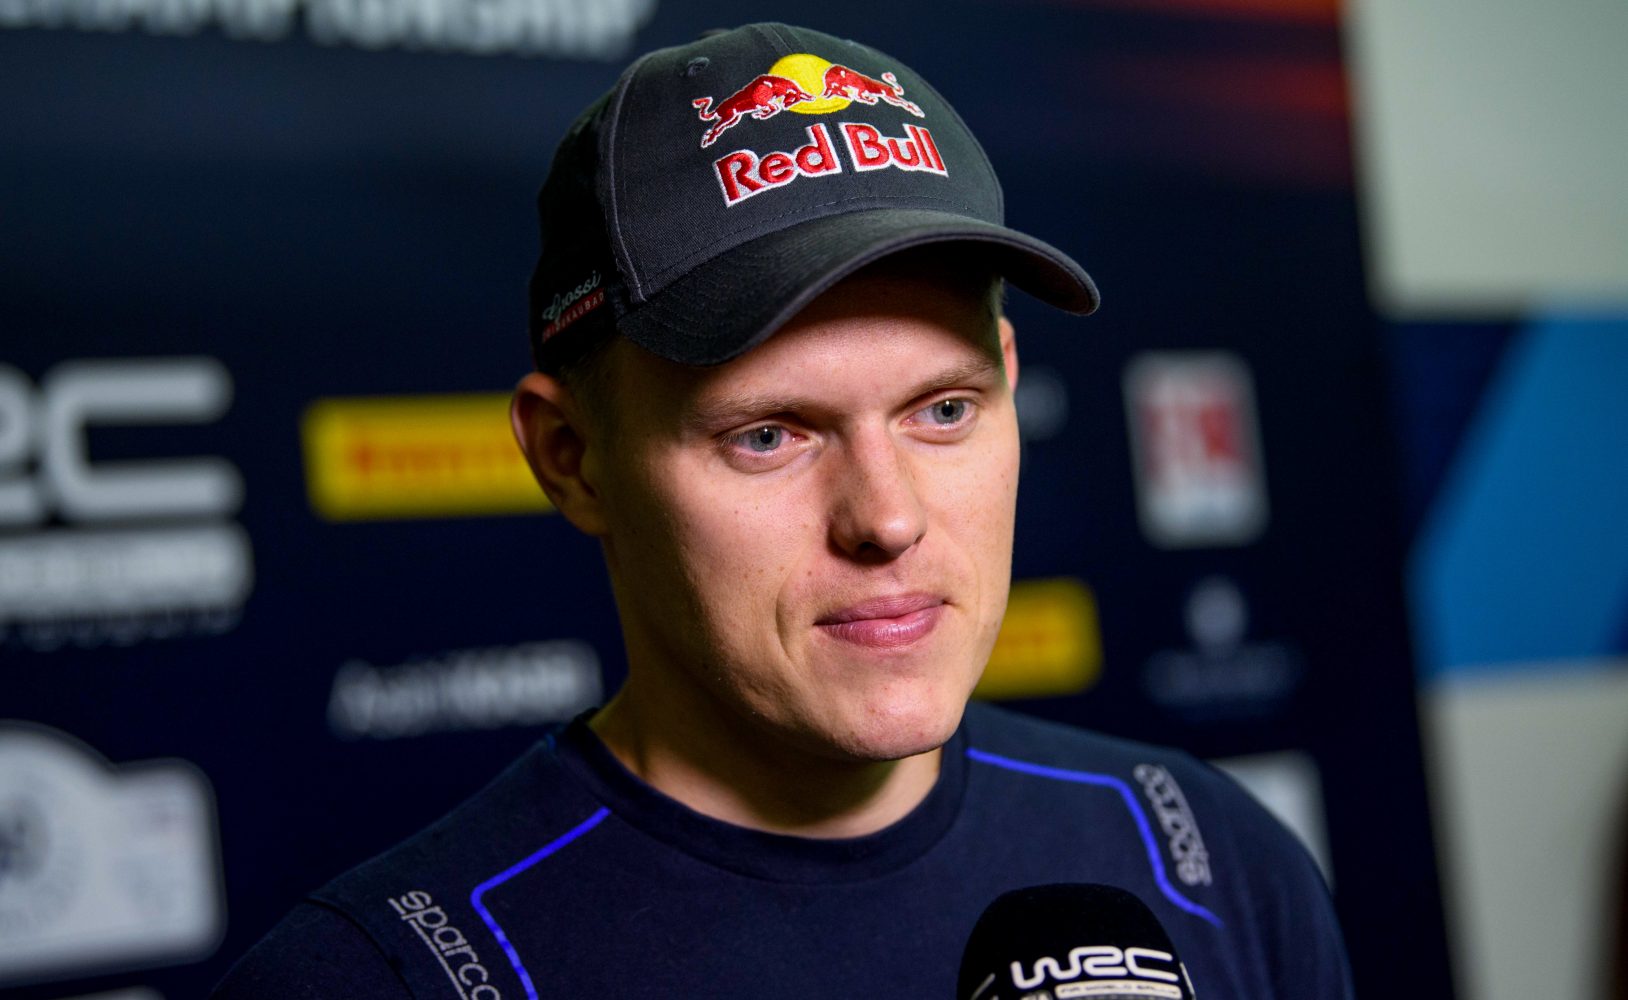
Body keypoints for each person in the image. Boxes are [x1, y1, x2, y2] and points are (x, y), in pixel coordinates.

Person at [213, 22, 1354, 998]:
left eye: (943, 410)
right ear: (572, 461)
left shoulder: (1210, 857)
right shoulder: (385, 976)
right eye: (768, 434)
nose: (887, 519)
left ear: (1010, 383)